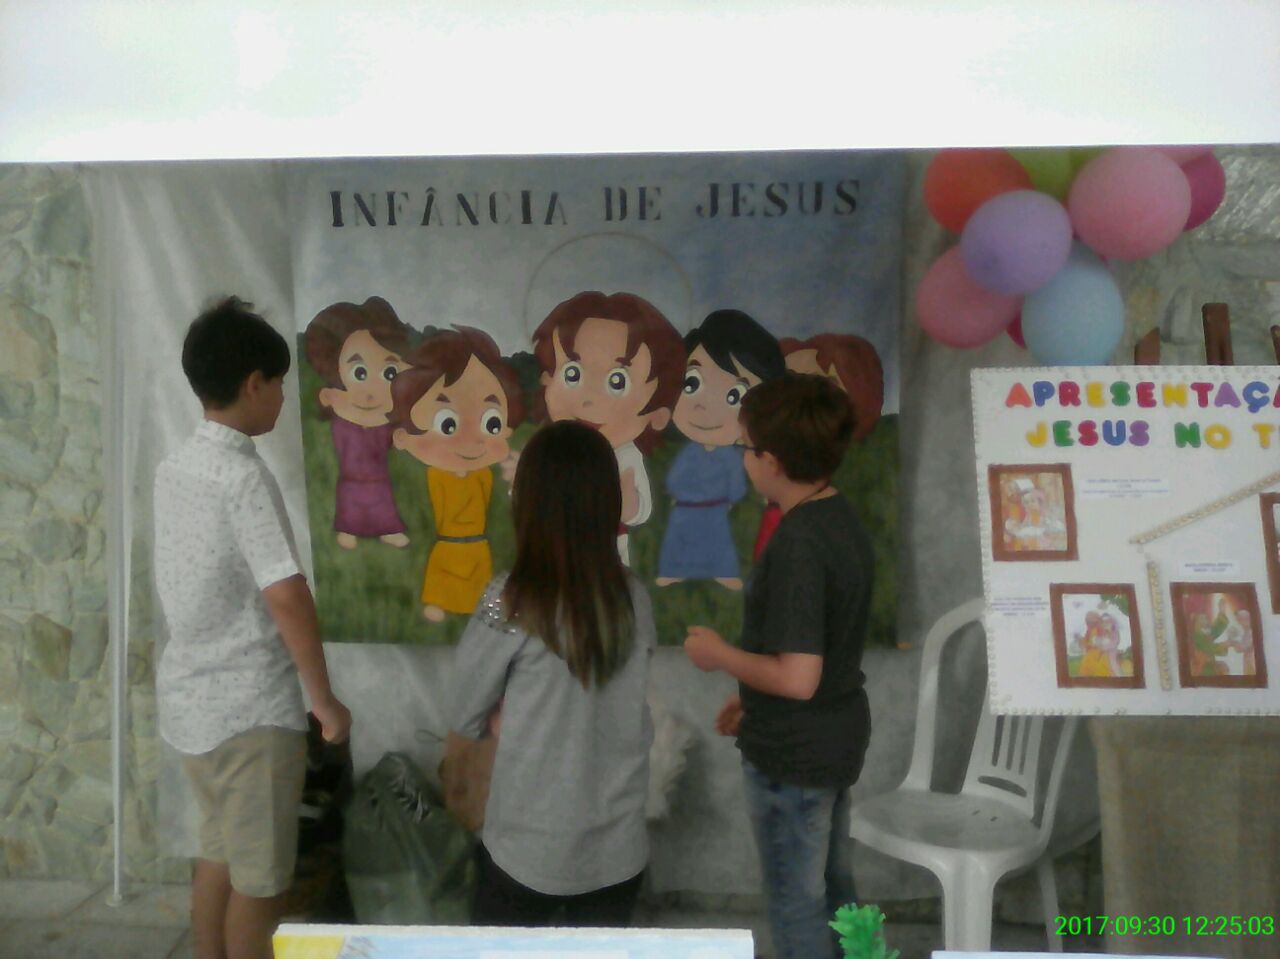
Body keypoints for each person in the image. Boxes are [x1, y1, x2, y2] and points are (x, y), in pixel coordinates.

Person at [154, 297, 352, 959]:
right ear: (252, 384)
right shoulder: (241, 478)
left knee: (218, 852)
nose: (283, 398)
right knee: (262, 884)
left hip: (191, 704)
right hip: (250, 713)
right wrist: (323, 700)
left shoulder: (176, 467)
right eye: (279, 383)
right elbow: (287, 594)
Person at [683, 373, 873, 959]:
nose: (744, 459)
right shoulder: (838, 517)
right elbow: (815, 653)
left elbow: (797, 677)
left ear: (771, 461)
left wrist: (719, 656)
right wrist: (750, 696)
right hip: (834, 737)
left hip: (796, 755)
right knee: (838, 893)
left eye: (746, 447)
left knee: (796, 905)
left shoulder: (798, 544)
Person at [447, 420, 655, 926]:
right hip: (618, 849)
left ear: (529, 502)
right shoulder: (635, 596)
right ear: (608, 503)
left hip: (526, 848)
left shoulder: (510, 599)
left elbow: (464, 711)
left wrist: (506, 714)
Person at [532, 290, 686, 564]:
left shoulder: (626, 456)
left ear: (658, 414)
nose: (589, 399)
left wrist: (628, 501)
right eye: (572, 374)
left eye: (617, 382)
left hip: (609, 550)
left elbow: (641, 511)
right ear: (546, 381)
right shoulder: (550, 451)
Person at [390, 326, 524, 621]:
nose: (470, 440)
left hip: (477, 545)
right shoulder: (434, 476)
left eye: (491, 423)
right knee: (443, 574)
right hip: (448, 544)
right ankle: (439, 600)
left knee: (479, 583)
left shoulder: (487, 476)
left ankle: (473, 601)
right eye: (447, 424)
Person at [656, 309, 785, 590]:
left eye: (735, 396)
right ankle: (674, 569)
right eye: (692, 383)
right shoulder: (690, 453)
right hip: (687, 508)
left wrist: (726, 499)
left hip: (715, 509)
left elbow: (735, 484)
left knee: (718, 542)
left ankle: (722, 571)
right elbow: (676, 479)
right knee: (680, 539)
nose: (706, 407)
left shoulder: (731, 457)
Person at [303, 296, 413, 550]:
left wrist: (399, 438)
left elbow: (391, 441)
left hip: (378, 479)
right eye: (360, 373)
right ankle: (348, 529)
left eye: (389, 373)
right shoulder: (342, 419)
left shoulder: (384, 422)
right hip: (351, 479)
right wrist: (332, 401)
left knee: (382, 503)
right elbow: (340, 439)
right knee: (350, 503)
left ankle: (388, 529)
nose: (371, 389)